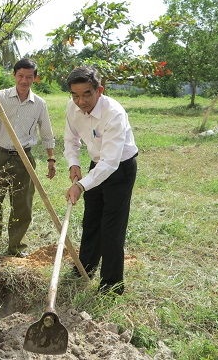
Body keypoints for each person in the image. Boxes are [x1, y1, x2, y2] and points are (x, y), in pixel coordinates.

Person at [63, 66, 138, 296]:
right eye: (75, 95)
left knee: (112, 227)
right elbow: (70, 140)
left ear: (99, 90)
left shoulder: (113, 113)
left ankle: (112, 285)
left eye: (87, 94)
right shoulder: (72, 108)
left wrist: (80, 185)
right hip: (96, 166)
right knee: (91, 219)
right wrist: (73, 163)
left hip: (120, 168)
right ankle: (85, 267)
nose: (81, 101)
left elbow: (110, 163)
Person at [0, 57, 56, 257]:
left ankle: (15, 247)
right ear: (14, 75)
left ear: (35, 79)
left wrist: (51, 159)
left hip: (24, 159)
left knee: (22, 206)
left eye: (29, 77)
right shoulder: (1, 97)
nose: (24, 80)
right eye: (20, 76)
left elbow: (47, 133)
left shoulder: (39, 104)